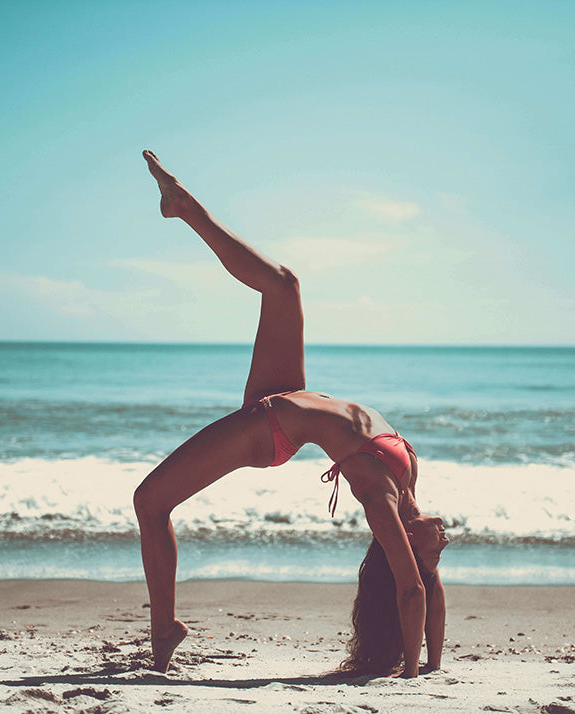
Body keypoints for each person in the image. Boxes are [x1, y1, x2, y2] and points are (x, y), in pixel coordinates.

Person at [134, 150, 449, 678]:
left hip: (269, 430)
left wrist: (415, 673)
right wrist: (436, 662)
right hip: (286, 395)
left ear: (407, 543)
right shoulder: (408, 472)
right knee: (284, 284)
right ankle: (183, 207)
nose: (446, 539)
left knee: (149, 501)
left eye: (437, 552)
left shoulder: (381, 501)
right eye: (441, 548)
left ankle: (164, 626)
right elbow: (428, 587)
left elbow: (414, 589)